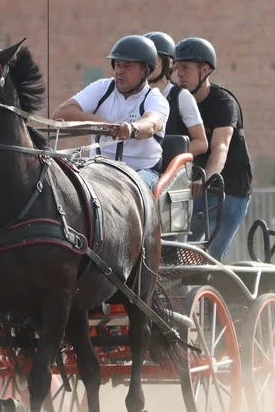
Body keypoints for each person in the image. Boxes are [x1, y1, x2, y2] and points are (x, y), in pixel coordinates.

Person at [52, 35, 169, 192]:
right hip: (97, 169)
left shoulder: (155, 99)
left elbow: (151, 123)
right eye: (117, 65)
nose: (119, 71)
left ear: (146, 70)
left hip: (141, 173)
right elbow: (62, 113)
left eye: (127, 66)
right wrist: (102, 124)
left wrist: (131, 129)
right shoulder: (102, 88)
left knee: (128, 192)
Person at [174, 37, 253, 262]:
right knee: (176, 252)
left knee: (210, 258)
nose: (179, 73)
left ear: (205, 69)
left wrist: (207, 180)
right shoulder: (179, 104)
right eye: (177, 68)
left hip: (231, 192)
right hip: (196, 190)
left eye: (186, 68)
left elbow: (220, 147)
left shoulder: (223, 103)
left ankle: (210, 293)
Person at [144, 31, 207, 160]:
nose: (147, 64)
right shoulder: (132, 95)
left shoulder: (181, 96)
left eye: (153, 59)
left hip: (169, 172)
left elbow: (201, 143)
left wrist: (165, 156)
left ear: (168, 62)